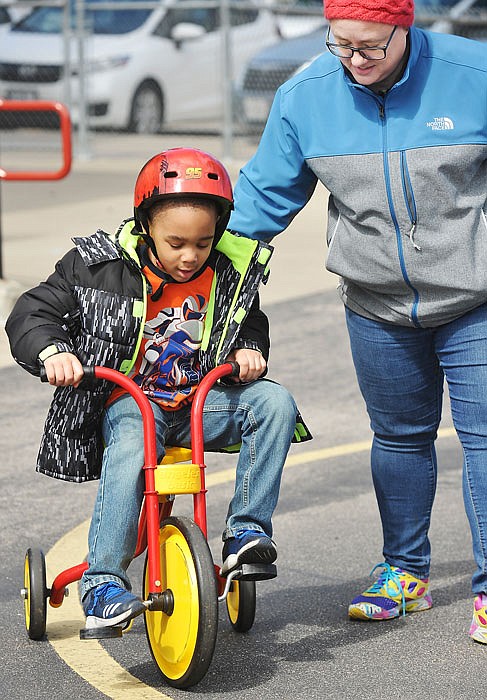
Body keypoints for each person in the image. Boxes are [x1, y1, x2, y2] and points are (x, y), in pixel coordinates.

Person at [227, 0, 487, 643]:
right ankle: (403, 570)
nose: (355, 61)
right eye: (342, 45)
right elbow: (261, 199)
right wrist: (193, 266)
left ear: (407, 27)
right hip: (376, 303)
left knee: (484, 437)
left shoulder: (473, 73)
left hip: (476, 296)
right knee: (398, 436)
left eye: (371, 47)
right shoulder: (306, 94)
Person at [6, 147, 310, 632]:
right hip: (127, 399)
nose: (191, 256)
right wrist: (52, 354)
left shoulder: (229, 270)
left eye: (204, 243)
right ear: (146, 224)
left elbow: (249, 317)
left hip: (199, 403)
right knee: (134, 438)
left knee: (274, 402)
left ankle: (245, 533)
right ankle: (102, 581)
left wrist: (251, 347)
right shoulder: (95, 265)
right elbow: (31, 313)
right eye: (176, 243)